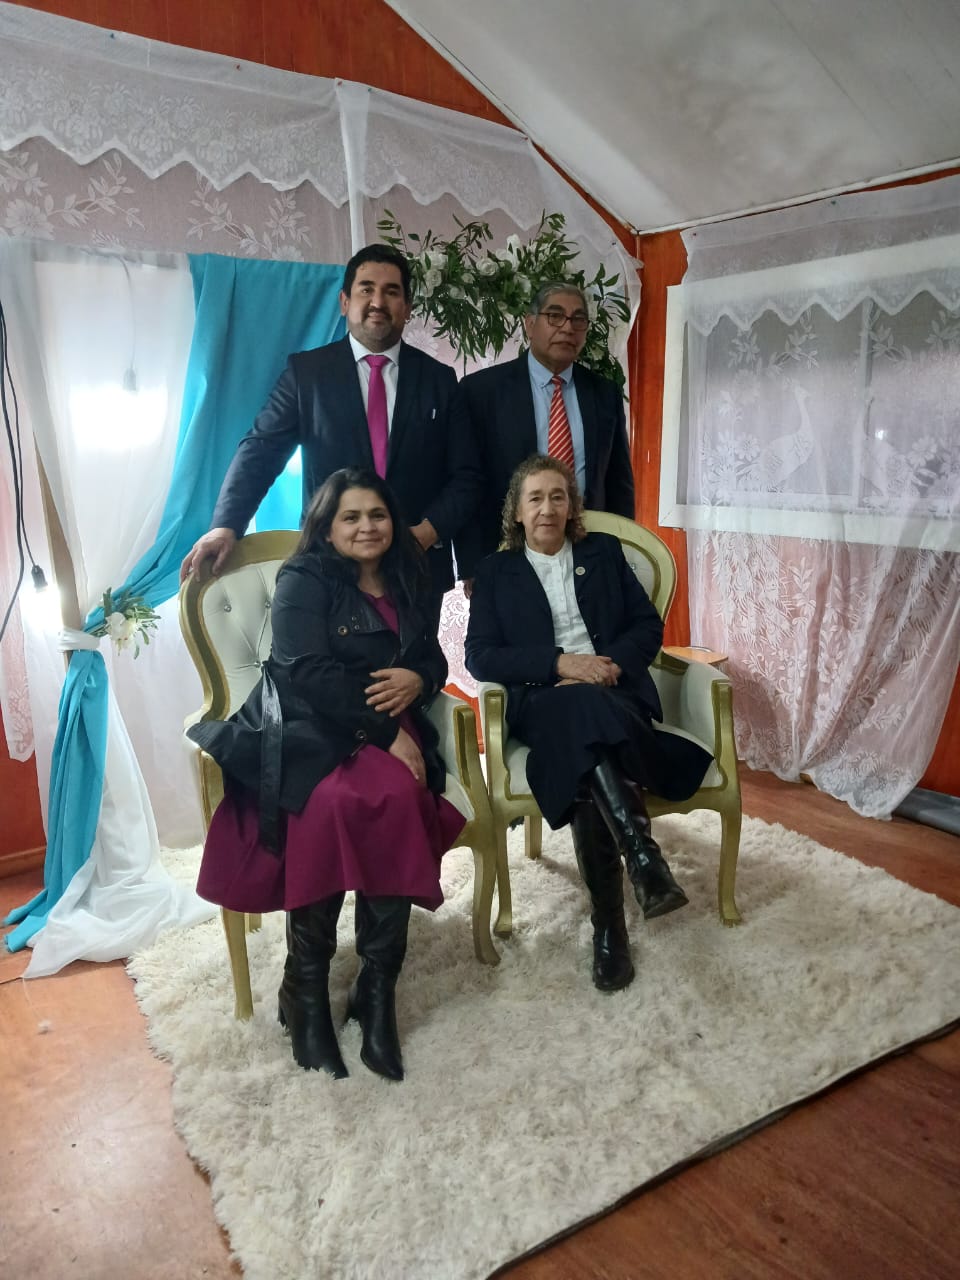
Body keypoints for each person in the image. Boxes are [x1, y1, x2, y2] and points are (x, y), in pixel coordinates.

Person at [188, 468, 466, 1082]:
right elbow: (304, 671)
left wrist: (420, 677)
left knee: (396, 797)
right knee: (330, 803)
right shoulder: (304, 577)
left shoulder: (410, 571)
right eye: (351, 517)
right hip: (311, 728)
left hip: (384, 722)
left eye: (378, 515)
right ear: (328, 526)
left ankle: (377, 990)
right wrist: (387, 733)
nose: (367, 527)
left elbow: (432, 655)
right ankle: (305, 990)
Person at [465, 455, 711, 993]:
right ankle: (642, 858)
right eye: (535, 498)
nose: (547, 508)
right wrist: (560, 664)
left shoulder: (603, 553)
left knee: (582, 751)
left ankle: (610, 926)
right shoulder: (495, 572)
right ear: (517, 512)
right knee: (577, 715)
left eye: (558, 496)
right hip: (543, 700)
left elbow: (646, 626)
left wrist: (609, 667)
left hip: (613, 692)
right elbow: (480, 656)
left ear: (571, 507)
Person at [179, 243, 481, 630]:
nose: (378, 302)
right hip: (328, 565)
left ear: (407, 308)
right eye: (366, 289)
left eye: (391, 292)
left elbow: (467, 476)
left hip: (414, 568)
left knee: (414, 667)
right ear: (344, 302)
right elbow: (260, 450)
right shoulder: (307, 374)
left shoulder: (440, 380)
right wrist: (226, 525)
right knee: (324, 666)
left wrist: (425, 533)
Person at [454, 281, 635, 583]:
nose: (568, 327)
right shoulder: (482, 391)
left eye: (578, 319)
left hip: (589, 552)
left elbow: (619, 484)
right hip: (506, 553)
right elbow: (467, 480)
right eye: (555, 316)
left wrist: (623, 551)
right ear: (530, 324)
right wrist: (472, 565)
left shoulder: (604, 394)